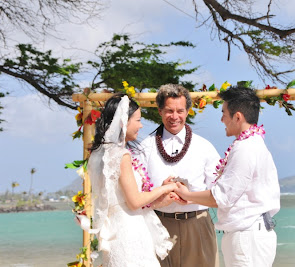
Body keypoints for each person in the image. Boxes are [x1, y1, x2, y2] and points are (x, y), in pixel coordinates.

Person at [174, 86, 281, 267]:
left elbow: (222, 196)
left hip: (247, 237)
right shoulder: (252, 144)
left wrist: (186, 194)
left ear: (237, 117)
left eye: (224, 113)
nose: (222, 119)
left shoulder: (246, 148)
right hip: (250, 235)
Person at [88, 94, 179, 267]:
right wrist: (167, 188)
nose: (141, 125)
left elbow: (122, 201)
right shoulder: (121, 156)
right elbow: (134, 202)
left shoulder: (100, 153)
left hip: (117, 230)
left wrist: (158, 199)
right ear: (124, 122)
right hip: (130, 233)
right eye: (137, 120)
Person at [137, 84, 220, 267]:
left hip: (197, 224)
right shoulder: (146, 147)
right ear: (159, 111)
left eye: (180, 111)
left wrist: (191, 198)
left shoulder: (204, 147)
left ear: (188, 111)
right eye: (169, 111)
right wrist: (160, 193)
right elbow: (137, 193)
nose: (175, 117)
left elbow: (219, 192)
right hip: (158, 225)